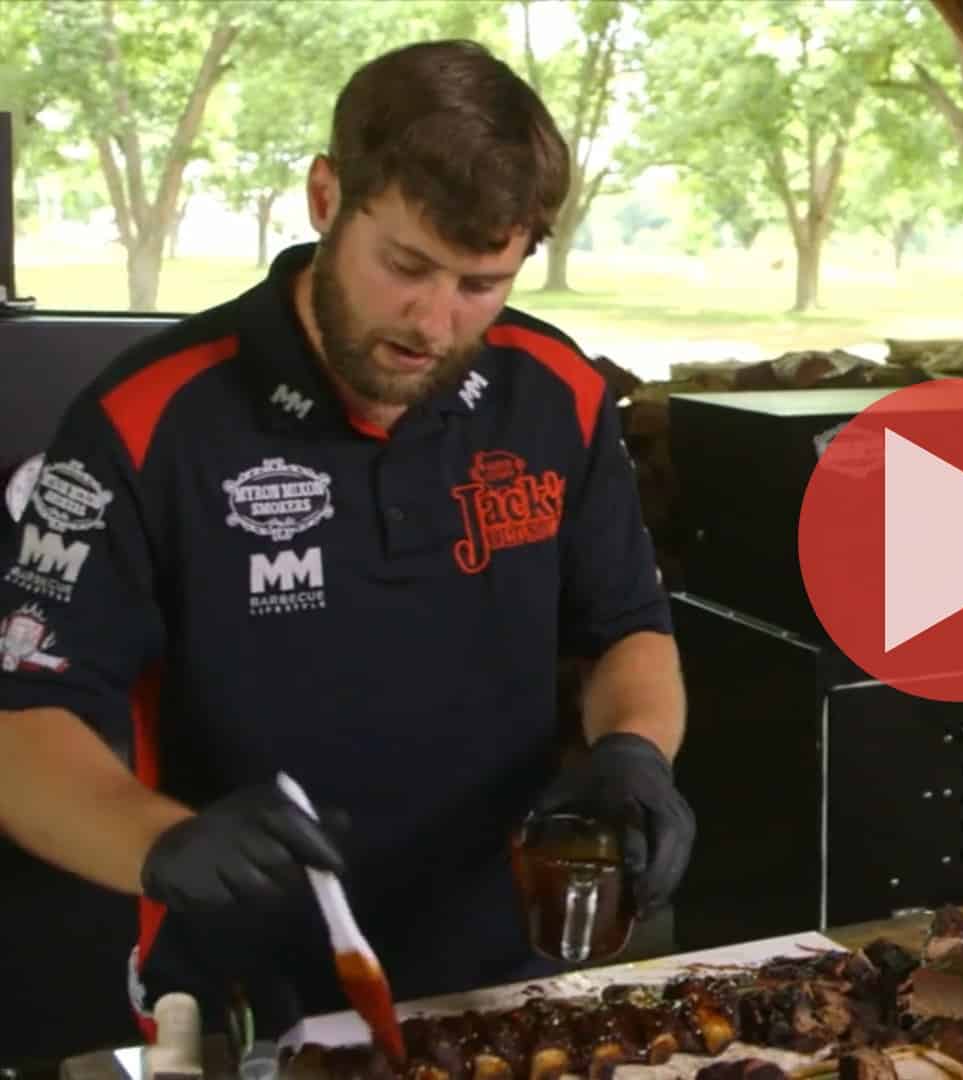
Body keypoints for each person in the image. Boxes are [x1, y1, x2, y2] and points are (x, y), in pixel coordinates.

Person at [0, 40, 694, 1041]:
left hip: (509, 976)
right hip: (244, 990)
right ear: (328, 197)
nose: (433, 320)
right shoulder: (148, 419)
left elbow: (625, 623)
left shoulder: (557, 395)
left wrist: (634, 755)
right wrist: (163, 844)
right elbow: (24, 721)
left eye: (480, 283)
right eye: (405, 265)